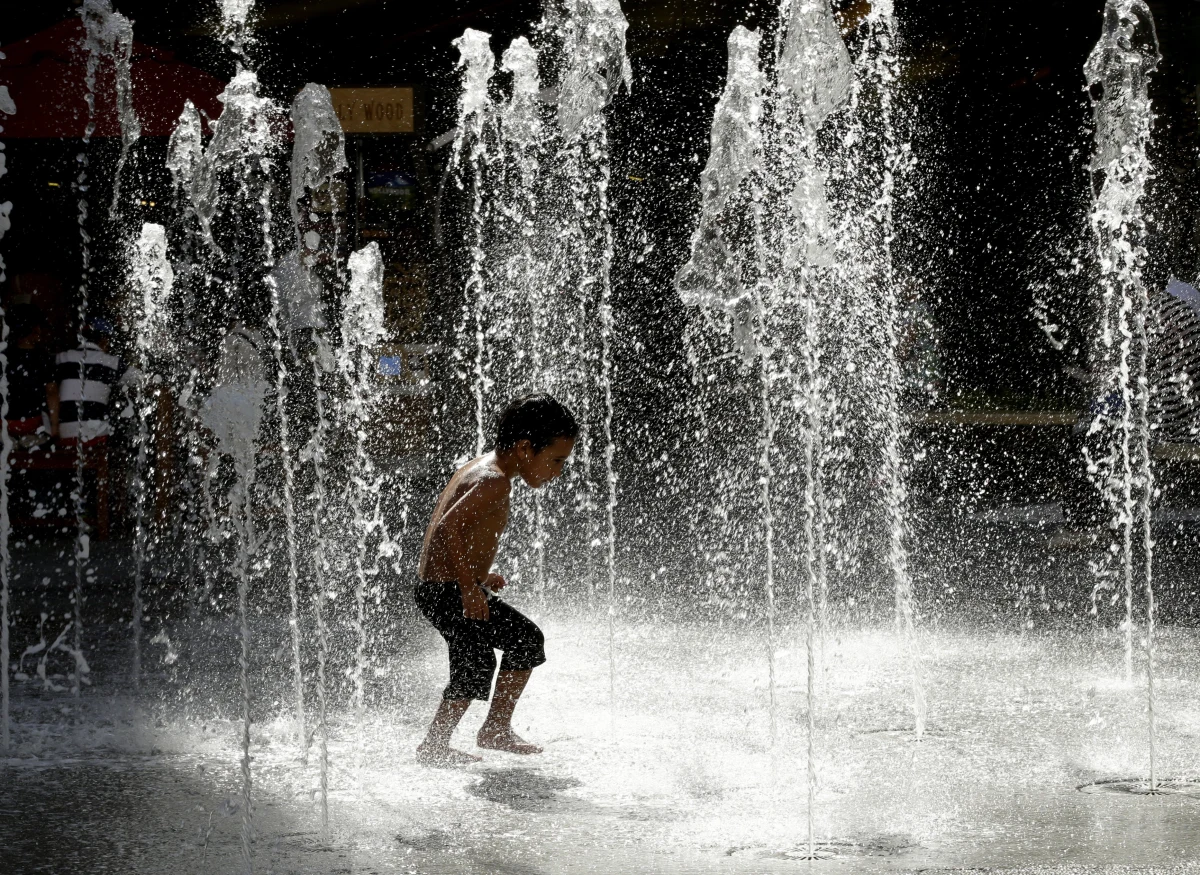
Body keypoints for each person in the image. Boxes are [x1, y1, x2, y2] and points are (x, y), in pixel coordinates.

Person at [414, 393, 578, 766]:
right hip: (447, 591)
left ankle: (495, 729)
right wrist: (469, 587)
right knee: (474, 661)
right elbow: (446, 528)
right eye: (555, 461)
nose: (557, 472)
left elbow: (456, 532)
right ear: (524, 448)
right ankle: (435, 745)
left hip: (450, 586)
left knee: (525, 639)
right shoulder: (494, 481)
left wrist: (477, 575)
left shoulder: (486, 469)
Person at [53, 317, 125, 446]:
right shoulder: (112, 362)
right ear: (104, 340)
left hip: (63, 434)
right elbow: (141, 380)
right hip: (95, 436)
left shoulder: (61, 358)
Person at [2, 304, 57, 448]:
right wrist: (55, 428)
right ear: (35, 329)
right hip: (33, 425)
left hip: (5, 424)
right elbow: (51, 393)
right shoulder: (43, 359)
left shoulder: (4, 357)